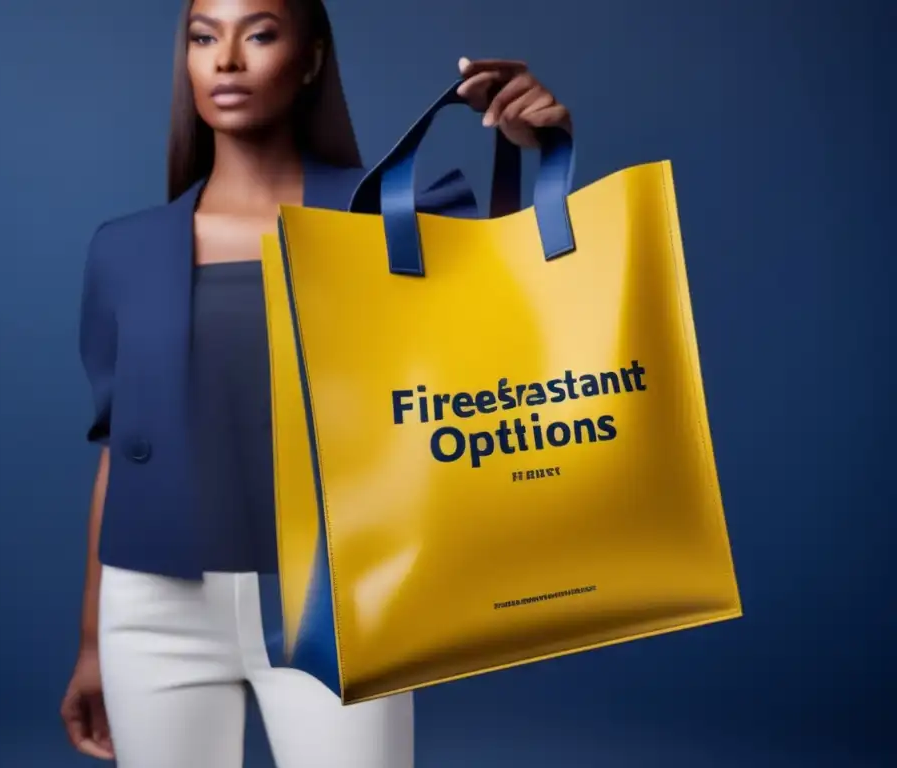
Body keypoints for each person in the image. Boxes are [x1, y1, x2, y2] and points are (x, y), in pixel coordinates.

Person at [58, 0, 572, 765]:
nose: (226, 58)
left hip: (338, 599)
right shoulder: (124, 251)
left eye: (258, 33)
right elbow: (119, 452)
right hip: (153, 609)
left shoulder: (386, 216)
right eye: (204, 37)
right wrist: (94, 642)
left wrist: (535, 148)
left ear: (311, 59)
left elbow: (507, 322)